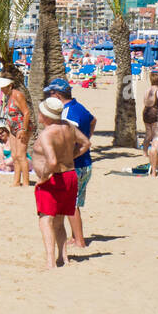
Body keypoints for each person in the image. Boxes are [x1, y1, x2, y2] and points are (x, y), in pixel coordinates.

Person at [30, 97, 91, 269]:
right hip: (70, 174)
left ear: (45, 116)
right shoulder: (69, 127)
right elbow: (86, 143)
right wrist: (72, 157)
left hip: (54, 178)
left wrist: (42, 178)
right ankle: (63, 257)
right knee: (59, 220)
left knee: (45, 220)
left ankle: (50, 261)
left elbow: (52, 161)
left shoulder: (47, 134)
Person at [45, 78, 94, 249]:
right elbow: (93, 120)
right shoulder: (78, 107)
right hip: (86, 162)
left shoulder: (67, 113)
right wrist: (86, 138)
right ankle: (75, 237)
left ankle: (79, 241)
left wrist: (70, 155)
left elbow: (68, 138)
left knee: (71, 204)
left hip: (76, 163)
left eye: (50, 94)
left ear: (57, 95)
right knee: (75, 202)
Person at [0, 77, 32, 187]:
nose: (2, 89)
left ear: (10, 86)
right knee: (14, 155)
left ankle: (26, 182)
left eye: (3, 87)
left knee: (21, 155)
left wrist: (24, 130)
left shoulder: (17, 95)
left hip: (22, 127)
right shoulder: (7, 96)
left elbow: (26, 112)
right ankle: (16, 181)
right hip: (12, 128)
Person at [142, 70, 158, 148]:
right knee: (155, 134)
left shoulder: (147, 90)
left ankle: (145, 152)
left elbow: (144, 101)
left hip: (146, 111)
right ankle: (154, 151)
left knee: (148, 134)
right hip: (154, 112)